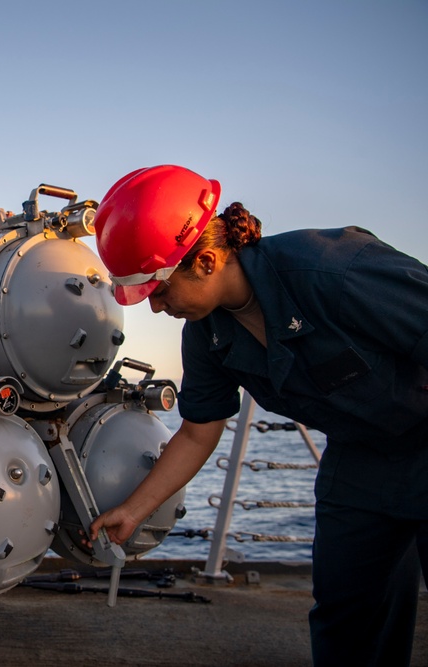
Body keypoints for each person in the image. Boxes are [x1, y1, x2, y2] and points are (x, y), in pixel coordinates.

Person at [87, 165, 428, 666]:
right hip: (360, 460)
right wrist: (134, 512)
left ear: (204, 261)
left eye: (159, 291)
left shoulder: (335, 271)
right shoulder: (206, 334)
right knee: (347, 614)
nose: (157, 308)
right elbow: (199, 431)